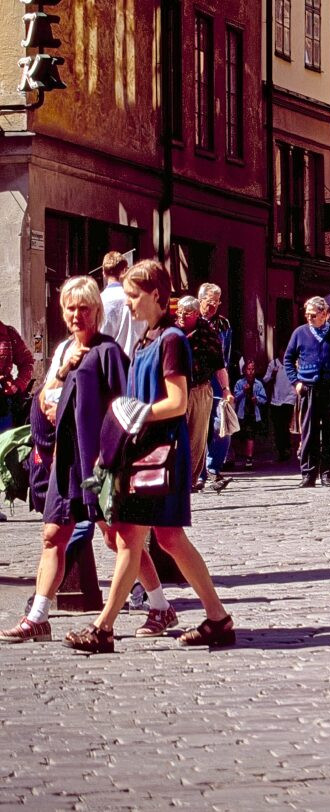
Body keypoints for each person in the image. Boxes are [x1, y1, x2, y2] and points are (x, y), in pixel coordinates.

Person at [63, 259, 235, 652]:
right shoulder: (146, 340)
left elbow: (176, 402)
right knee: (170, 538)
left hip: (159, 454)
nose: (129, 305)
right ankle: (218, 618)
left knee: (130, 537)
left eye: (134, 296)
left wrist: (137, 411)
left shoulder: (171, 339)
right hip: (145, 452)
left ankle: (103, 628)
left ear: (157, 295)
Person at [0, 277, 172, 644]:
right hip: (65, 464)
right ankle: (38, 617)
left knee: (117, 539)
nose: (77, 314)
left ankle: (159, 605)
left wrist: (114, 461)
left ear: (97, 311)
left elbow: (124, 408)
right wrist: (60, 376)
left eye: (84, 308)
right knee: (52, 536)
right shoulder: (65, 350)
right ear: (63, 312)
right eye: (70, 308)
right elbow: (48, 396)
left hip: (98, 465)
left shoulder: (108, 352)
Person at [283, 295, 330, 488]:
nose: (309, 318)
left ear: (324, 314)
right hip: (308, 388)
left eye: (313, 315)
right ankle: (308, 474)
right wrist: (296, 381)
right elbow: (288, 358)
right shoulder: (300, 332)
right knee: (309, 432)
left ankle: (327, 474)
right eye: (307, 315)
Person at [175, 295, 226, 491]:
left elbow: (219, 363)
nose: (180, 316)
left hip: (200, 388)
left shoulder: (208, 332)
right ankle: (176, 479)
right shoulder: (172, 330)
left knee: (197, 437)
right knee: (177, 436)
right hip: (177, 388)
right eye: (178, 311)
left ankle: (190, 479)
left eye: (185, 313)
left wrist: (226, 389)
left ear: (196, 314)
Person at [197, 283, 235, 490]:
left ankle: (214, 467)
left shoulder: (224, 324)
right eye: (210, 302)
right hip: (197, 379)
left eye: (217, 302)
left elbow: (226, 355)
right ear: (200, 299)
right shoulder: (192, 320)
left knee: (222, 426)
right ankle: (199, 472)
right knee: (199, 425)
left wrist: (226, 384)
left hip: (218, 379)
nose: (214, 306)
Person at [99, 251, 144, 357]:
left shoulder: (98, 301)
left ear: (104, 273)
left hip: (110, 363)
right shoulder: (138, 299)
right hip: (134, 362)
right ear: (124, 271)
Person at [0, 312, 35, 434]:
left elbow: (27, 362)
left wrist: (18, 385)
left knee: (4, 446)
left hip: (3, 403)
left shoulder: (8, 333)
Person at [232, 359, 267, 469]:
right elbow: (235, 397)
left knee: (250, 435)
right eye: (248, 369)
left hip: (253, 413)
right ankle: (237, 456)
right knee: (240, 436)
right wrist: (243, 391)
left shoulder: (258, 384)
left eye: (253, 369)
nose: (251, 371)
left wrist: (256, 399)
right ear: (244, 370)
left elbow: (264, 399)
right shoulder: (240, 383)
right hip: (241, 413)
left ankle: (249, 458)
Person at [263, 353, 297, 461]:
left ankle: (287, 448)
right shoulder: (273, 364)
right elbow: (265, 379)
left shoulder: (292, 363)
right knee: (278, 426)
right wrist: (273, 374)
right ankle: (281, 450)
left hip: (289, 398)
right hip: (276, 399)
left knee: (285, 424)